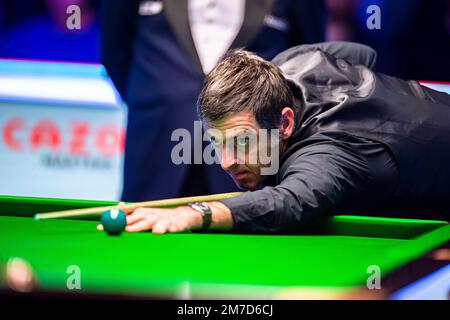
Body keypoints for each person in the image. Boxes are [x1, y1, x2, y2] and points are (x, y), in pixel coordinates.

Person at [102, 41, 450, 235]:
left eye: (241, 142)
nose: (226, 162)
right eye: (217, 144)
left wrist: (197, 213)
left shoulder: (329, 152)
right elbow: (362, 54)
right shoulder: (291, 66)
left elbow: (289, 201)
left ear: (285, 123)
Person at [101, 0, 325, 202]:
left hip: (252, 165)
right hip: (156, 147)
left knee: (247, 245)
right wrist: (157, 101)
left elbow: (306, 63)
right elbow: (115, 50)